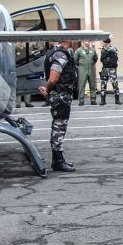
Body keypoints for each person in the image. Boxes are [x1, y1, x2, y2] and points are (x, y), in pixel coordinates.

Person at [38, 40, 78, 172]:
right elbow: (54, 78)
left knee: (59, 126)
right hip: (61, 95)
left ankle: (58, 160)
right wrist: (48, 89)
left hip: (61, 94)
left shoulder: (56, 53)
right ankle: (58, 161)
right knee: (59, 127)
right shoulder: (60, 54)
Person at [74, 41, 98, 106]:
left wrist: (91, 63)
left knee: (92, 85)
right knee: (81, 85)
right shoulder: (78, 51)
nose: (88, 42)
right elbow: (75, 60)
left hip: (91, 70)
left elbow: (95, 58)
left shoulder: (92, 50)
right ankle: (81, 100)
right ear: (83, 42)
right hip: (82, 70)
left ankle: (93, 100)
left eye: (89, 41)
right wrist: (80, 66)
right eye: (86, 41)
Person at [99, 37, 121, 105]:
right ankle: (103, 100)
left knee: (115, 84)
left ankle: (117, 100)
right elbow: (102, 59)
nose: (102, 43)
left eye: (103, 42)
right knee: (103, 85)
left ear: (106, 42)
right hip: (105, 68)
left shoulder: (113, 48)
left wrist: (106, 51)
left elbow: (113, 53)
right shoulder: (103, 49)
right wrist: (105, 51)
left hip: (112, 69)